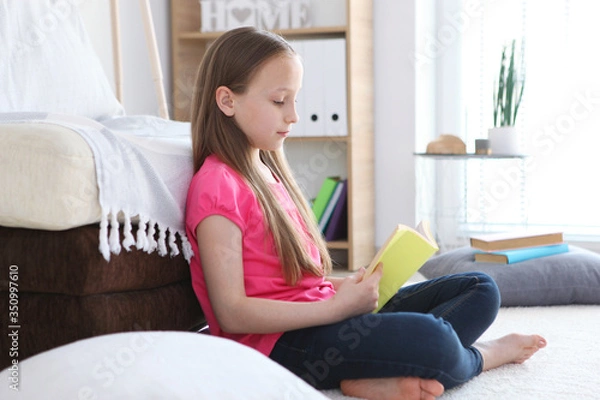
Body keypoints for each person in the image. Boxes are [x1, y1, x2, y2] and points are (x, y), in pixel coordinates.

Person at [185, 26, 547, 400]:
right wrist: (336, 309)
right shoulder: (216, 186)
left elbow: (298, 286)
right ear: (227, 101)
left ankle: (373, 375)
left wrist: (348, 290)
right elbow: (231, 312)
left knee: (479, 288)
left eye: (295, 99)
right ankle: (482, 356)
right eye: (279, 100)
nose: (293, 115)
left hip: (323, 316)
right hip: (279, 347)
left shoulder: (268, 172)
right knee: (434, 339)